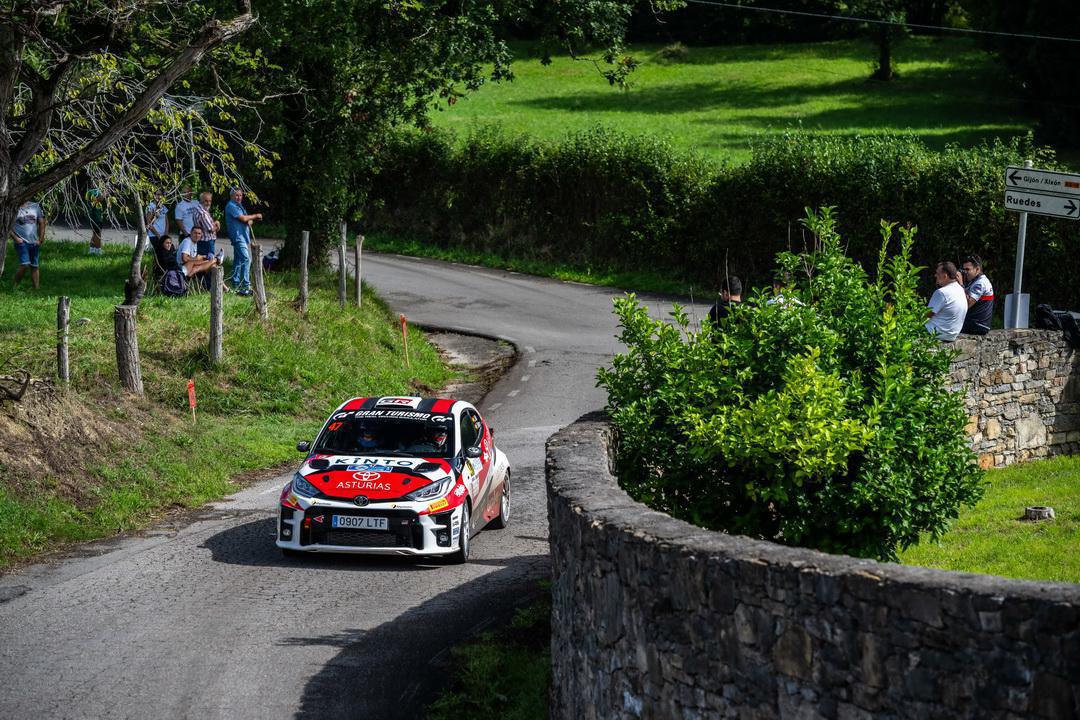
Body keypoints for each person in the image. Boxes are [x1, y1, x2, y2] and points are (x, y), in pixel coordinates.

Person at [224, 186, 262, 296]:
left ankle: (236, 283)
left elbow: (245, 219)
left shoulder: (239, 206)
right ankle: (246, 285)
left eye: (240, 195)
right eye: (236, 195)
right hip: (238, 237)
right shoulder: (231, 206)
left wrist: (249, 221)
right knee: (246, 259)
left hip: (242, 237)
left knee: (238, 261)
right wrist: (255, 216)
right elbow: (244, 218)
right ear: (231, 196)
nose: (239, 197)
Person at [925, 261, 968, 342]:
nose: (935, 275)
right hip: (952, 335)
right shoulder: (961, 290)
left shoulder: (941, 292)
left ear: (945, 276)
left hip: (936, 333)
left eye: (937, 273)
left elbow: (927, 315)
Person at [11, 198, 46, 289]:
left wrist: (41, 238)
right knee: (25, 264)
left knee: (35, 266)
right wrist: (15, 238)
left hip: (34, 242)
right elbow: (7, 225)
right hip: (21, 242)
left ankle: (36, 289)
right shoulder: (13, 207)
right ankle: (14, 286)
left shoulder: (35, 206)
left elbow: (42, 222)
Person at [960, 254, 994, 336]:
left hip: (978, 325)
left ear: (977, 269)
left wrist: (960, 284)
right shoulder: (974, 280)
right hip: (974, 323)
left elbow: (967, 304)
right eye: (963, 269)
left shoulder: (981, 283)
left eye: (967, 270)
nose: (965, 273)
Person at [192, 192, 220, 259]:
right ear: (201, 200)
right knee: (208, 261)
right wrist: (217, 224)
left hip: (201, 240)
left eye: (210, 201)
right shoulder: (203, 213)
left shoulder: (197, 209)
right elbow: (211, 229)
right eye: (206, 201)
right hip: (206, 241)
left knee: (202, 261)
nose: (208, 203)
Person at [85, 187, 105, 255]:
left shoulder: (90, 191)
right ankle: (98, 251)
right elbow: (97, 200)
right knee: (98, 234)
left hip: (96, 216)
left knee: (95, 234)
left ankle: (92, 250)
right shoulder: (92, 192)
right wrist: (104, 194)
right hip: (95, 217)